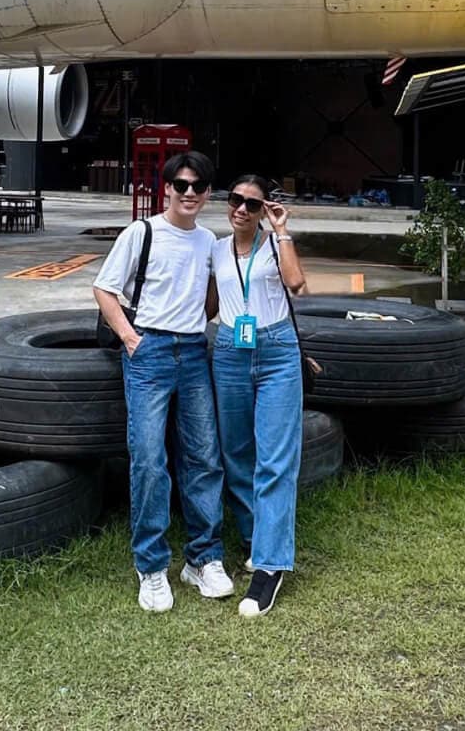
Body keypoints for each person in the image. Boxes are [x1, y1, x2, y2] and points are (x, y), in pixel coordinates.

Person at [92, 151, 233, 613]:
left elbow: (210, 299)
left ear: (207, 193)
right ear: (167, 188)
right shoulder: (143, 232)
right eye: (181, 185)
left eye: (198, 186)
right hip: (149, 351)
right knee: (150, 460)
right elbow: (104, 288)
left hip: (193, 351)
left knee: (204, 457)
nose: (189, 193)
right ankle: (151, 566)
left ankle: (204, 558)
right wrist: (130, 338)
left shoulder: (209, 242)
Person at [207, 174, 306, 618]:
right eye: (236, 200)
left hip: (277, 350)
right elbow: (209, 305)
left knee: (275, 459)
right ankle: (253, 537)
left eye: (252, 204)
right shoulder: (216, 249)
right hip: (230, 349)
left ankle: (270, 564)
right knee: (237, 453)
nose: (242, 210)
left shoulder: (274, 244)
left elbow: (296, 282)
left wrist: (281, 230)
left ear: (264, 208)